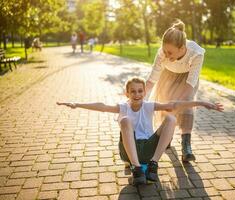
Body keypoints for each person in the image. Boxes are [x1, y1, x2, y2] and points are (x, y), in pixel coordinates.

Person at [57, 77, 223, 185]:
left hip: (149, 149)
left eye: (140, 91)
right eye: (133, 91)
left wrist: (202, 103)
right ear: (127, 93)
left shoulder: (149, 105)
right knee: (125, 120)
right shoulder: (123, 107)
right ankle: (136, 168)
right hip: (130, 152)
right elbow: (102, 106)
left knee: (171, 118)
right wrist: (77, 104)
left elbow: (175, 104)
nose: (137, 94)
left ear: (144, 92)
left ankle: (153, 165)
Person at [145, 19, 206, 162]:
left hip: (187, 80)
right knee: (167, 106)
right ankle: (167, 136)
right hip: (168, 77)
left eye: (170, 52)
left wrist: (180, 101)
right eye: (164, 51)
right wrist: (140, 96)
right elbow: (152, 78)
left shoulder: (196, 53)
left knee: (186, 106)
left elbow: (191, 83)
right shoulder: (162, 53)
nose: (166, 55)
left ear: (182, 47)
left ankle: (186, 146)